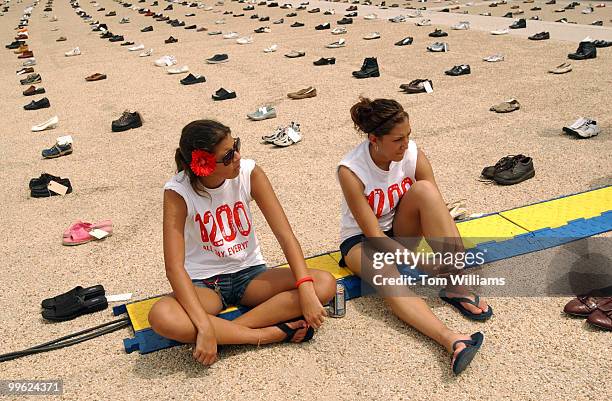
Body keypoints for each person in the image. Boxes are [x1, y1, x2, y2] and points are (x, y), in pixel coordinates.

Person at [148, 120, 336, 365]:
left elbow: (285, 235)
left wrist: (306, 288)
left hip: (251, 275)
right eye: (227, 156)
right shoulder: (178, 191)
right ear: (202, 165)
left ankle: (227, 334)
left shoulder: (249, 172)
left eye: (235, 145)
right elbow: (174, 267)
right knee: (161, 316)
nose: (237, 156)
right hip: (206, 284)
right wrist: (204, 323)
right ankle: (263, 335)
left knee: (323, 283)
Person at [337, 97, 493, 374]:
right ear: (374, 138)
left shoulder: (411, 153)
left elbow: (435, 208)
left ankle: (455, 285)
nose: (405, 144)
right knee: (389, 278)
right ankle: (452, 340)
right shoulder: (351, 170)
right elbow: (373, 234)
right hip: (362, 240)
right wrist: (422, 263)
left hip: (400, 228)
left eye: (408, 135)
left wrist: (454, 259)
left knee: (426, 191)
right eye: (397, 140)